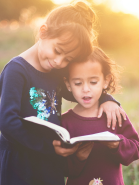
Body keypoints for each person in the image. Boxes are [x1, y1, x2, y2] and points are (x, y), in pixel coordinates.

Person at [0, 1, 126, 185]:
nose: (59, 62)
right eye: (57, 51)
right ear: (43, 31)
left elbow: (79, 93)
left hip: (49, 162)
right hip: (20, 164)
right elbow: (7, 122)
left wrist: (107, 99)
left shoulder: (55, 71)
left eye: (68, 59)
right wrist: (48, 147)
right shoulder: (16, 70)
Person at [62, 46, 139, 185]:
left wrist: (117, 144)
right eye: (78, 83)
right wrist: (78, 158)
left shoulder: (114, 114)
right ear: (68, 84)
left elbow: (136, 148)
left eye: (93, 82)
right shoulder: (65, 122)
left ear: (106, 81)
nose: (86, 89)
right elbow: (59, 167)